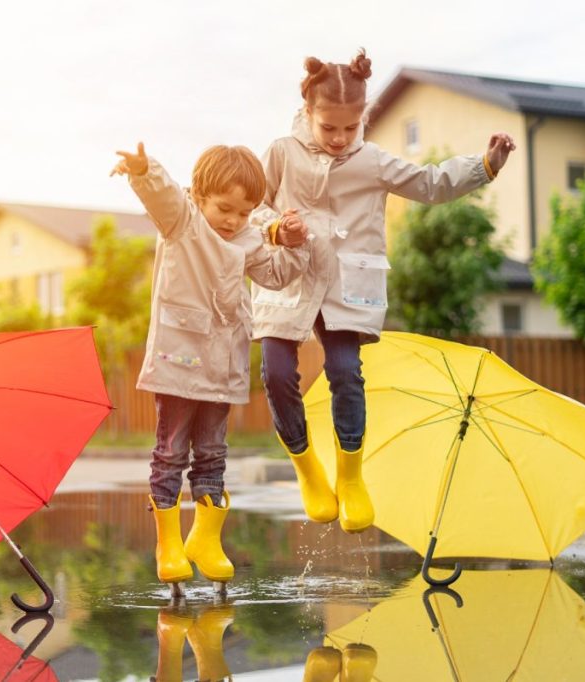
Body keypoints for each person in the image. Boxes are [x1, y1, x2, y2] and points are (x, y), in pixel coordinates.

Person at [252, 49, 515, 533]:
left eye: (348, 129)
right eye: (328, 128)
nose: (338, 139)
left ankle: (350, 477)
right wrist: (274, 229)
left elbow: (431, 184)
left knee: (345, 370)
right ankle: (308, 469)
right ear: (307, 113)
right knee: (276, 371)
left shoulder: (371, 160)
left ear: (363, 120)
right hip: (289, 275)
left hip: (345, 282)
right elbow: (252, 205)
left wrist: (486, 165)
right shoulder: (280, 153)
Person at [111, 142, 308, 590]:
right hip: (180, 361)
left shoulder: (248, 239)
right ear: (199, 196)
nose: (232, 220)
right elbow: (162, 196)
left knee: (214, 454)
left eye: (243, 212)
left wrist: (294, 245)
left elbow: (276, 275)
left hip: (223, 366)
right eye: (224, 208)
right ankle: (169, 544)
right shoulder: (182, 222)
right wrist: (144, 170)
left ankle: (205, 540)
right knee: (170, 452)